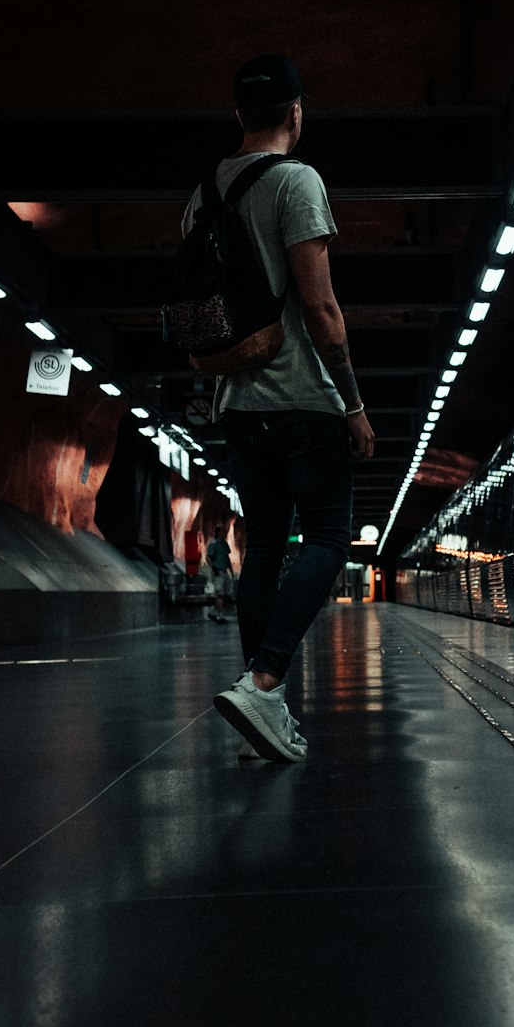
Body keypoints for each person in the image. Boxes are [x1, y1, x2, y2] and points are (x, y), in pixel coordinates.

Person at [181, 54, 375, 762]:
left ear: (239, 115)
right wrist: (352, 403)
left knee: (263, 548)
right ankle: (265, 681)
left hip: (235, 402)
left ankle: (263, 705)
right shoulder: (298, 181)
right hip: (302, 398)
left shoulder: (202, 194)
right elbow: (320, 307)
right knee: (327, 538)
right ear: (297, 112)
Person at [204, 524, 234, 623]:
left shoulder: (224, 544)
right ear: (217, 532)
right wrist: (214, 567)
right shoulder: (214, 544)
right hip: (218, 572)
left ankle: (214, 613)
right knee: (219, 594)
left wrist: (231, 570)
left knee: (225, 594)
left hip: (224, 571)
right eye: (221, 531)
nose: (223, 533)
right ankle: (219, 616)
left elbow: (227, 558)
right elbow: (208, 558)